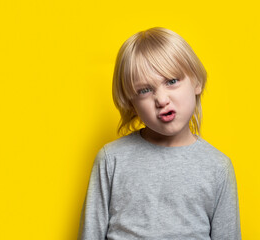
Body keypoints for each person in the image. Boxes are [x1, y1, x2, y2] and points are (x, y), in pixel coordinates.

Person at [78, 27, 241, 240]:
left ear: (196, 83)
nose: (161, 99)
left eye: (172, 81)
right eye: (145, 90)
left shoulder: (218, 168)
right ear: (131, 103)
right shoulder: (112, 159)